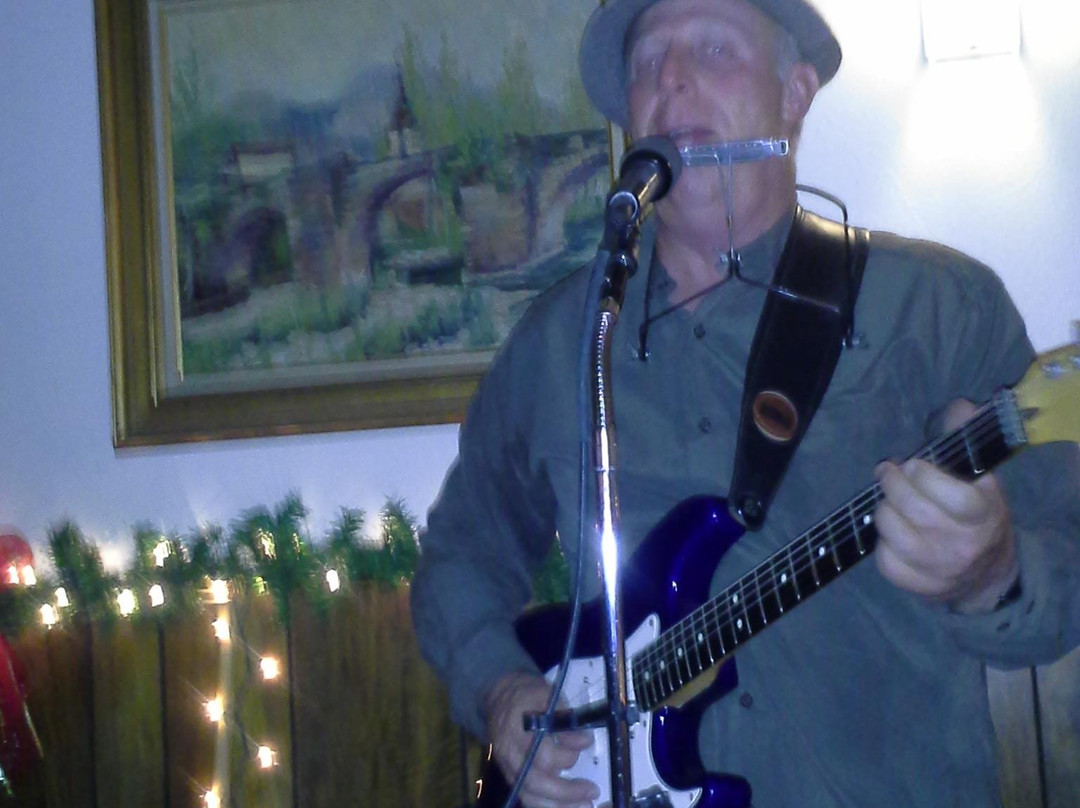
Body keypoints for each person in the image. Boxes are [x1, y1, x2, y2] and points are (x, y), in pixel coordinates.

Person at [410, 0, 1080, 806]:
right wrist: (497, 685)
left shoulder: (937, 308)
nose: (671, 77)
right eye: (646, 61)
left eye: (715, 49)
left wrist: (994, 571)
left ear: (795, 94)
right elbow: (461, 552)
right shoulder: (559, 342)